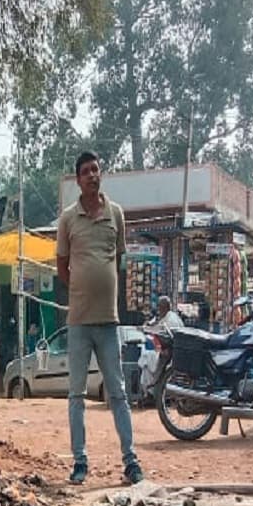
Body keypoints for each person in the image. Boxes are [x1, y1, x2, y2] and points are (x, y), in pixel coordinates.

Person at [56, 151, 143, 485]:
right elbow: (62, 265)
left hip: (108, 321)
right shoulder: (68, 219)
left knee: (117, 392)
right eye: (86, 171)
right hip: (78, 321)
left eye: (96, 169)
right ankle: (80, 462)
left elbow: (119, 258)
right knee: (76, 395)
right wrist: (81, 287)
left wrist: (101, 285)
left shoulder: (116, 214)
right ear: (78, 180)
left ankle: (131, 462)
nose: (92, 175)